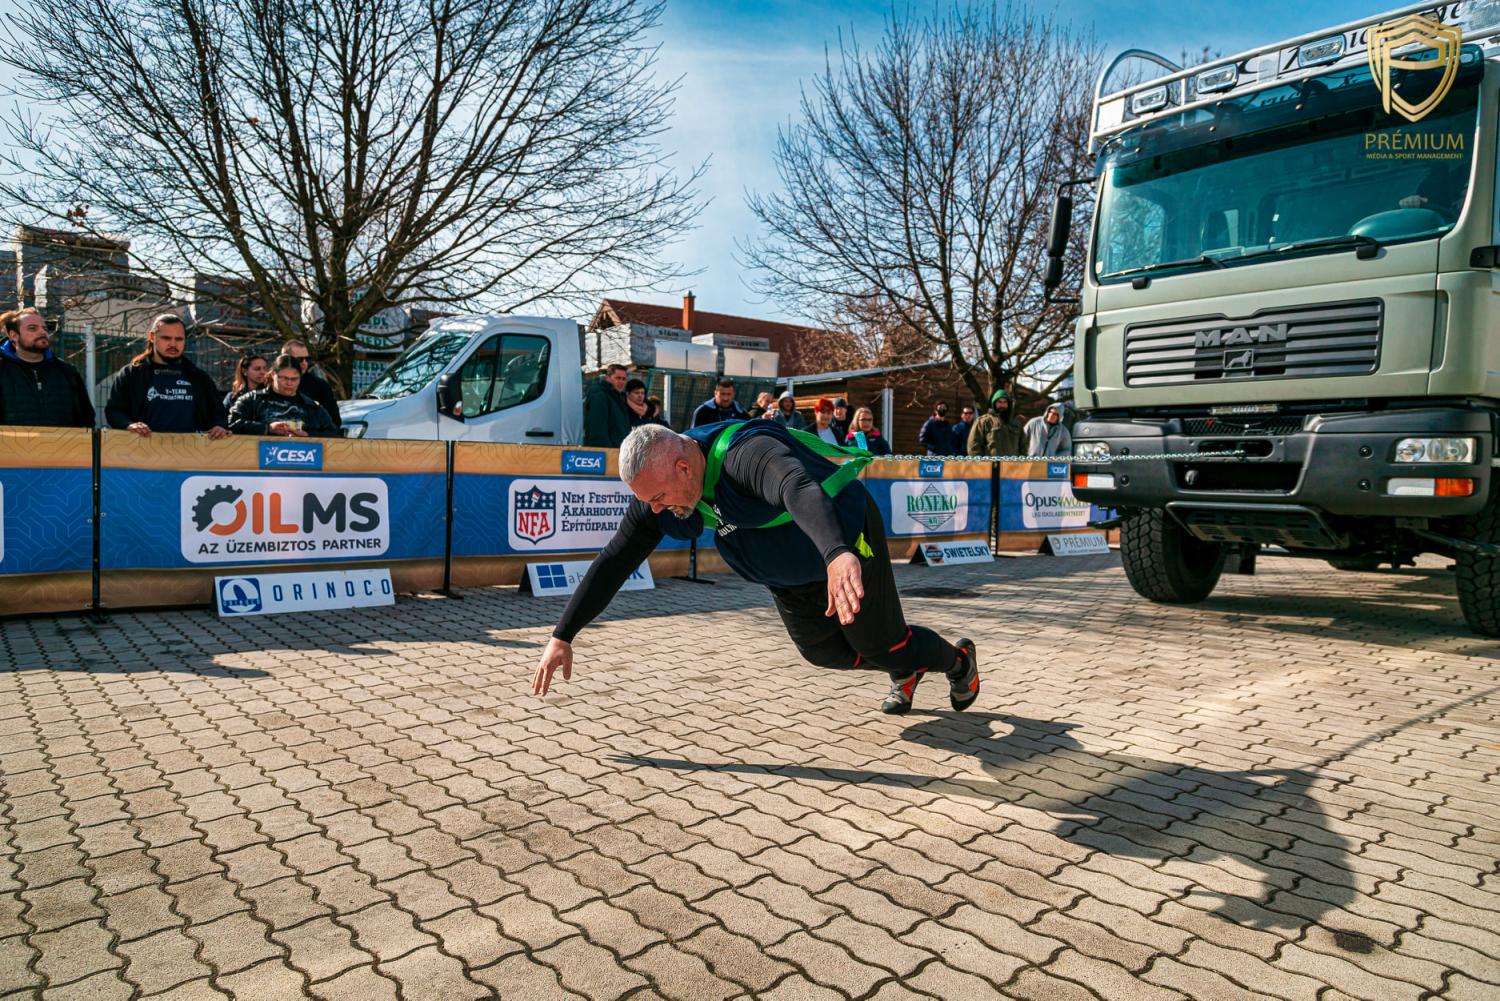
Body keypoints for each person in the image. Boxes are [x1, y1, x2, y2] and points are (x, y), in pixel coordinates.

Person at [531, 421, 979, 715]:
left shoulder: (746, 453)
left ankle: (957, 662)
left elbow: (797, 487)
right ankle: (904, 666)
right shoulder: (660, 494)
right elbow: (615, 560)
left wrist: (837, 553)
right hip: (787, 575)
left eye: (659, 498)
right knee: (823, 653)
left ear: (683, 467)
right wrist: (562, 635)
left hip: (843, 545)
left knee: (883, 644)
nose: (656, 510)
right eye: (648, 501)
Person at [103, 314, 229, 438]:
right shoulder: (132, 374)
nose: (173, 344)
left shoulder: (199, 377)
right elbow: (114, 411)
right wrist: (128, 425)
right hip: (143, 449)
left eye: (179, 339)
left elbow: (218, 413)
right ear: (152, 337)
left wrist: (218, 426)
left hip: (191, 450)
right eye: (166, 338)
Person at [0, 308, 95, 428]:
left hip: (63, 440)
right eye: (32, 328)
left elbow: (86, 419)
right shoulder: (2, 371)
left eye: (44, 328)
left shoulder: (67, 372)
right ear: (14, 335)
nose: (42, 332)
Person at [226, 354, 339, 438]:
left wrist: (307, 435)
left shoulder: (312, 407)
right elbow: (231, 424)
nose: (289, 383)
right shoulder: (251, 400)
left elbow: (334, 434)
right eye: (284, 378)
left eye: (294, 379)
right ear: (273, 374)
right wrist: (267, 428)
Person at [282, 339, 343, 434]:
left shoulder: (320, 386)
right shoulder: (269, 386)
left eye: (307, 359)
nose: (304, 363)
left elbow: (334, 423)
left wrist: (307, 433)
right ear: (284, 360)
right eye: (299, 359)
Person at [967, 388, 1025, 457]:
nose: (1002, 405)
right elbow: (973, 446)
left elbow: (1024, 446)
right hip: (991, 463)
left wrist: (1022, 461)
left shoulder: (1016, 423)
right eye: (999, 402)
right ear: (994, 403)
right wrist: (981, 462)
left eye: (1005, 402)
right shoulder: (984, 421)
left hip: (1013, 463)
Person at [584, 363, 631, 447]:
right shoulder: (600, 396)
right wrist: (607, 451)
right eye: (618, 378)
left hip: (618, 450)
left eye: (624, 379)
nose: (621, 382)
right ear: (607, 378)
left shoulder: (618, 397)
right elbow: (597, 428)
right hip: (607, 451)